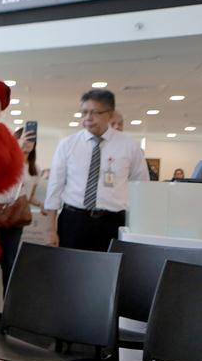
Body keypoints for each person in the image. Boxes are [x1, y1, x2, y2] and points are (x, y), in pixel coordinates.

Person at [43, 89, 149, 252]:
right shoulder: (68, 144)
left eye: (95, 113)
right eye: (84, 112)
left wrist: (139, 229)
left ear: (110, 114)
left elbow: (141, 187)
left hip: (112, 222)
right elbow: (55, 187)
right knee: (71, 272)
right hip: (74, 220)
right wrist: (50, 229)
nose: (88, 118)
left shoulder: (129, 146)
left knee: (109, 272)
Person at [0, 129, 40, 320]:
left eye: (31, 140)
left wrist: (41, 204)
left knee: (10, 262)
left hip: (15, 219)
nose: (27, 143)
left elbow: (26, 194)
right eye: (22, 139)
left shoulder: (32, 168)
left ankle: (9, 306)